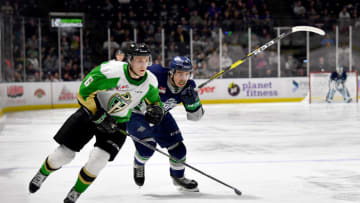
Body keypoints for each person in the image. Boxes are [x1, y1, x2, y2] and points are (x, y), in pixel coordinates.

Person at [28, 43, 164, 203]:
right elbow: (83, 92)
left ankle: (76, 192)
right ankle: (43, 173)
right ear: (130, 60)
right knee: (63, 155)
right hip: (91, 114)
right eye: (139, 60)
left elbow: (155, 102)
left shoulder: (150, 81)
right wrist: (98, 114)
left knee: (99, 160)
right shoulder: (110, 71)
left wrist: (156, 111)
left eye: (146, 60)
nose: (144, 65)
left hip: (117, 123)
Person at [127, 56, 204, 192]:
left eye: (187, 74)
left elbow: (195, 118)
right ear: (171, 72)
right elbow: (131, 78)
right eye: (180, 73)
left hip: (161, 115)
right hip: (135, 113)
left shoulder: (189, 86)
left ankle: (178, 177)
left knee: (179, 150)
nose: (183, 78)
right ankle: (139, 164)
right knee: (147, 147)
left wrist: (193, 101)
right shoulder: (155, 74)